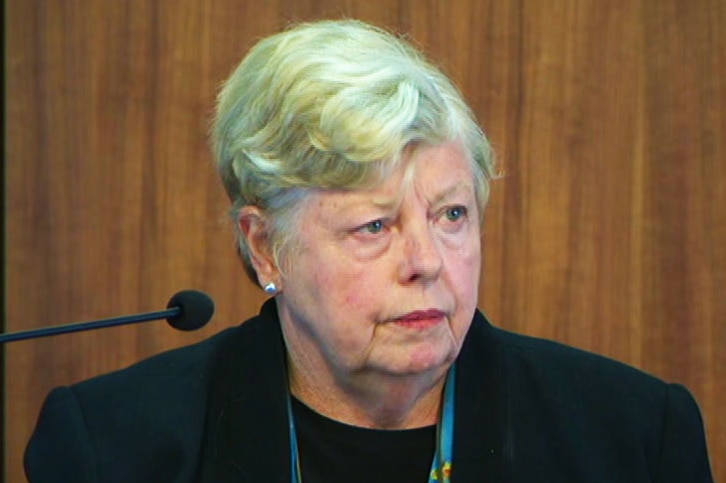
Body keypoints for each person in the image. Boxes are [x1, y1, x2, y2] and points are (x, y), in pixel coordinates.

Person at [24, 19, 713, 483]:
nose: (428, 260)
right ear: (266, 249)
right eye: (374, 226)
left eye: (450, 213)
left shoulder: (635, 439)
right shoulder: (111, 450)